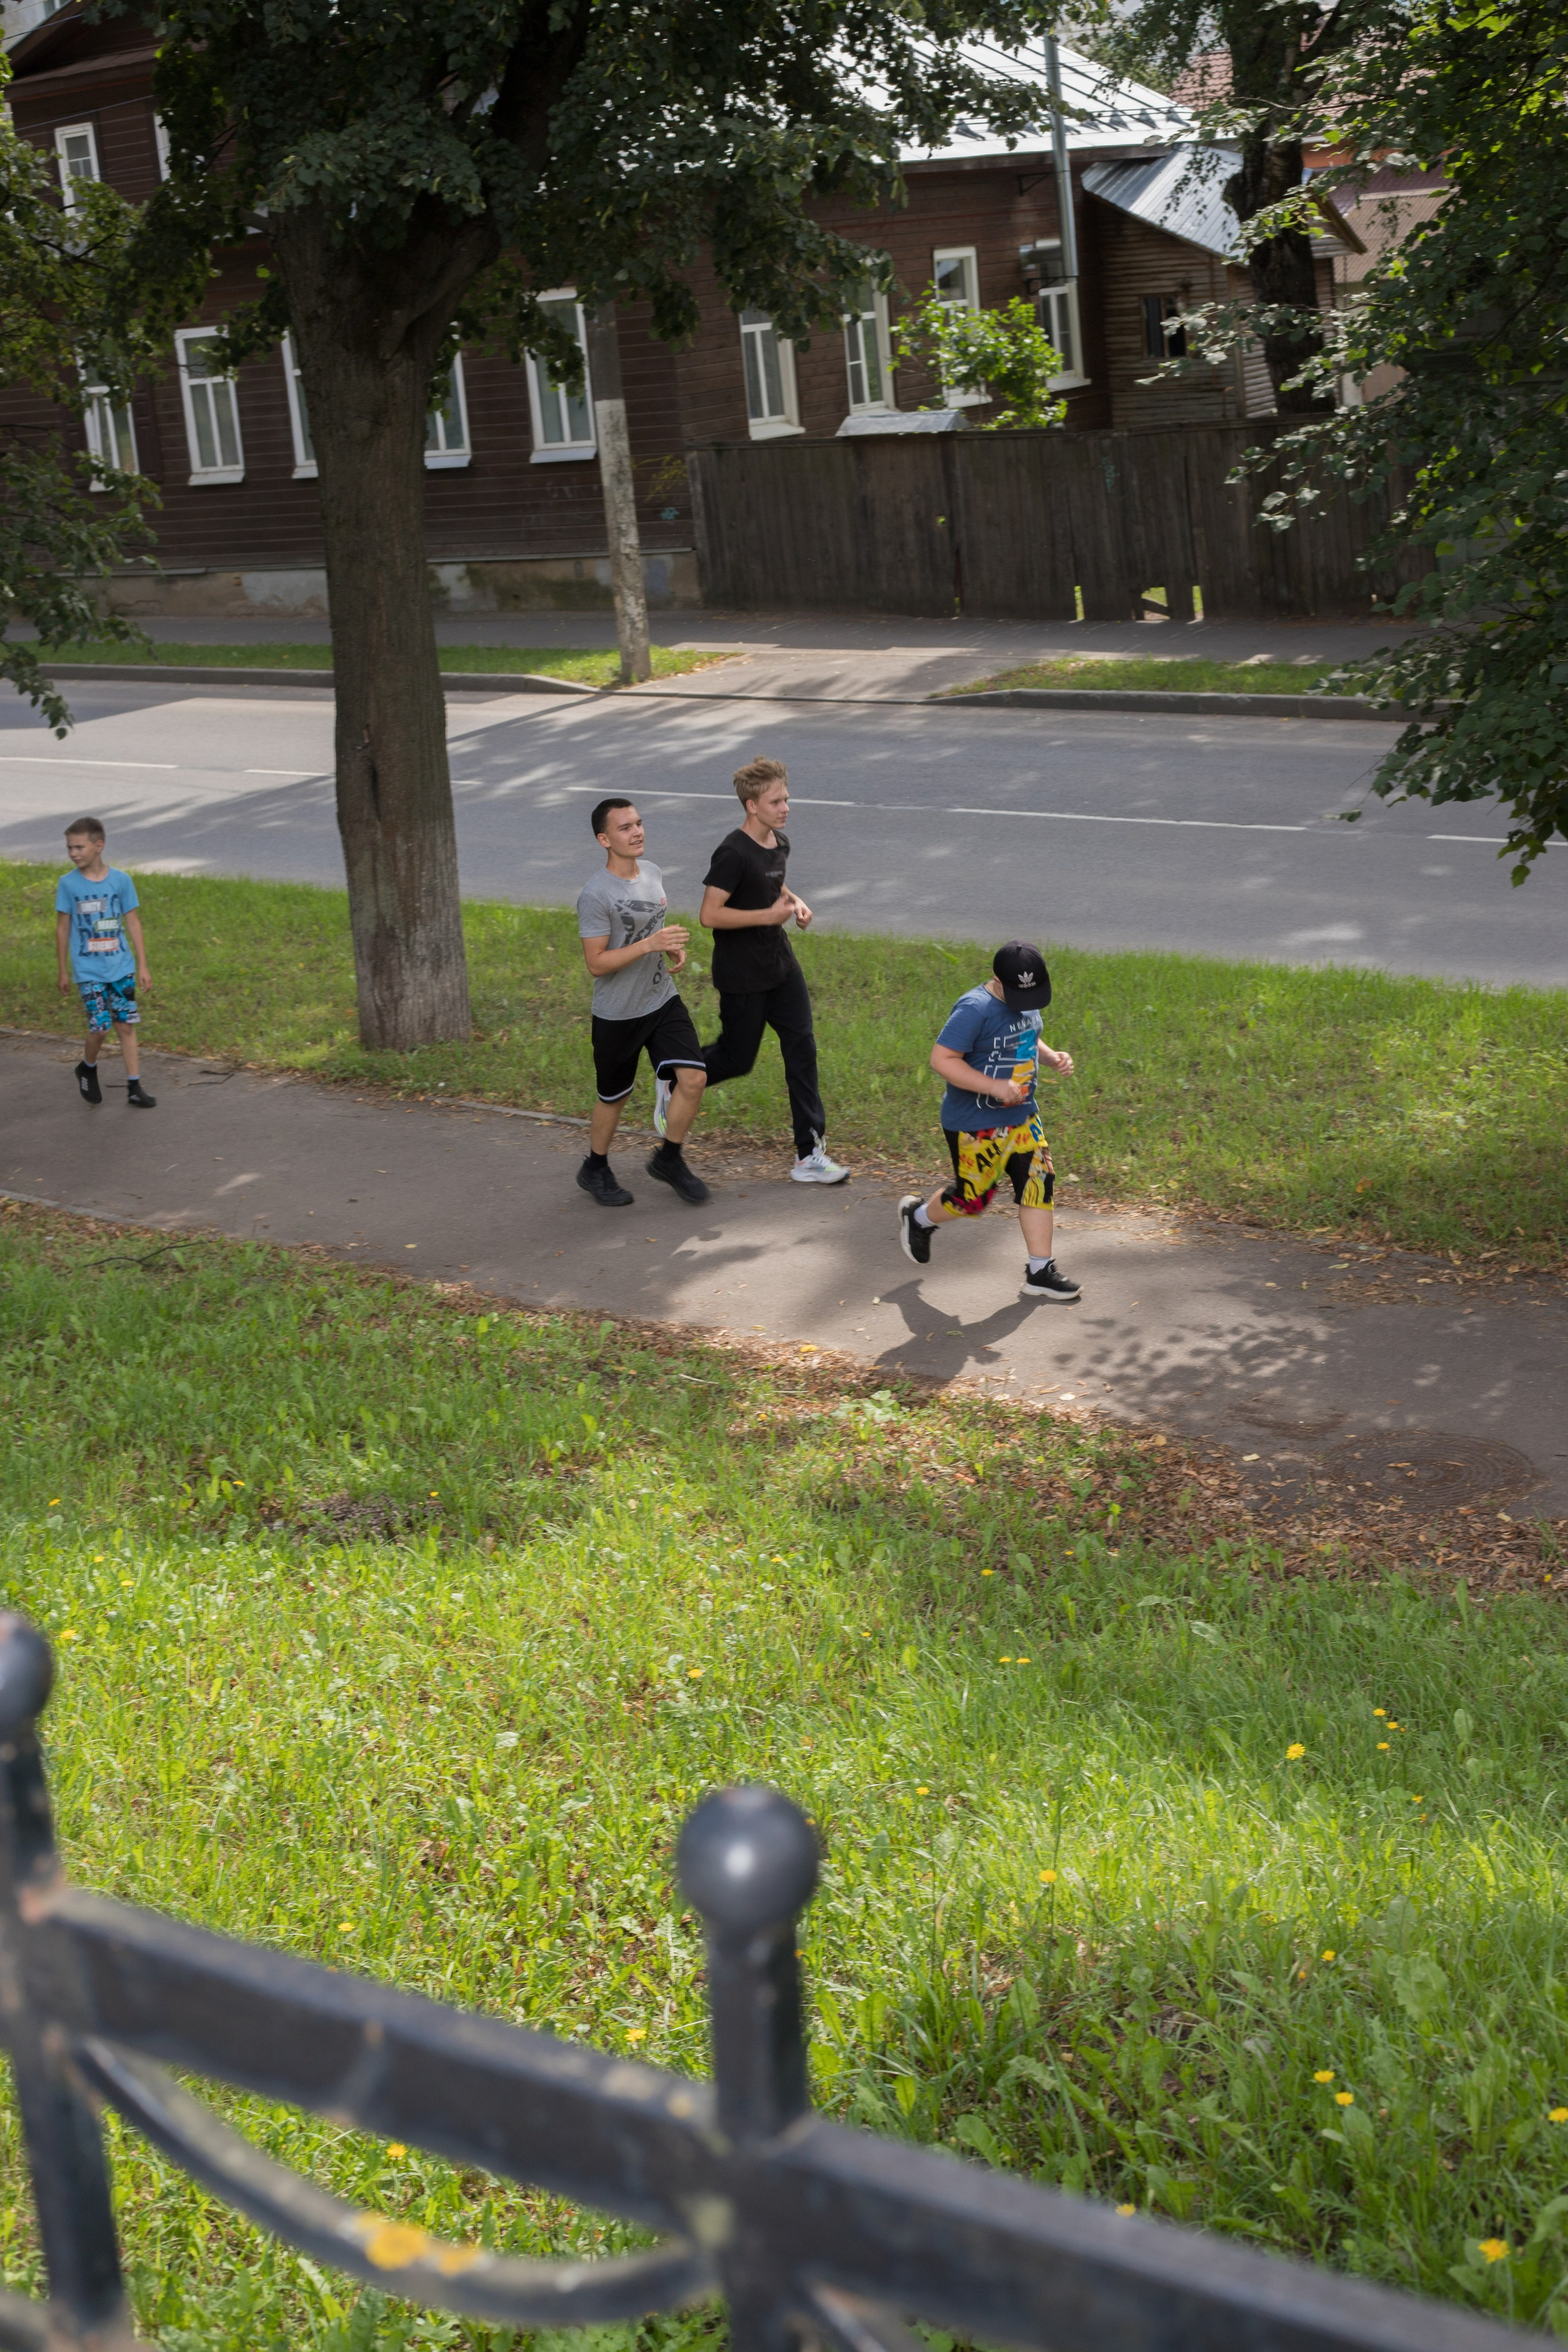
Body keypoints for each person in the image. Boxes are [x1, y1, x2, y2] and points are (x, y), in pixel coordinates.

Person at [898, 940, 1079, 1302]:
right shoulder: (975, 1009)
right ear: (997, 979)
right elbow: (943, 1059)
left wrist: (1051, 1057)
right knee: (973, 1200)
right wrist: (994, 1086)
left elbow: (1029, 1035)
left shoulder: (1023, 1003)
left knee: (1039, 1183)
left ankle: (1040, 1270)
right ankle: (917, 1217)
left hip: (1023, 1117)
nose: (1025, 1004)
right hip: (974, 1124)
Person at [698, 755, 848, 1185]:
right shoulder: (732, 853)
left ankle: (809, 1155)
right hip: (742, 974)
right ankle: (677, 1075)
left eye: (786, 798)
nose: (785, 807)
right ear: (751, 805)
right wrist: (767, 916)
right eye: (776, 801)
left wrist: (794, 901)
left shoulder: (777, 842)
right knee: (736, 1058)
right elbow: (710, 914)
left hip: (780, 966)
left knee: (802, 1049)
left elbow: (772, 882)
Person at [575, 797, 709, 1208]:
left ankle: (669, 1159)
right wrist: (650, 943)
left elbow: (652, 923)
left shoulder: (652, 872)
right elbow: (597, 964)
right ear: (604, 839)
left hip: (661, 999)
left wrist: (666, 948)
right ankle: (595, 1167)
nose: (636, 832)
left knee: (694, 1078)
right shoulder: (596, 895)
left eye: (638, 823)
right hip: (618, 1013)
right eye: (624, 828)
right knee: (614, 1097)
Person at [55, 819, 155, 1109]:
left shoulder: (121, 881)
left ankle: (134, 1086)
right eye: (69, 848)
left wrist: (143, 965)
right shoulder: (68, 884)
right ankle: (88, 1067)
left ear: (99, 846)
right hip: (88, 970)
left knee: (125, 1026)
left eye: (79, 846)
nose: (74, 853)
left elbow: (133, 922)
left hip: (120, 967)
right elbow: (62, 928)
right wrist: (63, 969)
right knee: (100, 1029)